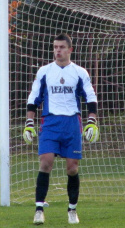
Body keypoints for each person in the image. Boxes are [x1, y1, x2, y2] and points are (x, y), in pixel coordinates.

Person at [23, 33, 99, 225]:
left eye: (62, 47)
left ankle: (72, 210)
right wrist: (29, 123)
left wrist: (92, 120)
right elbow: (33, 98)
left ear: (70, 50)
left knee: (72, 168)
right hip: (50, 122)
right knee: (45, 162)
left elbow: (90, 97)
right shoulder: (44, 71)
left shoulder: (80, 72)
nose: (58, 50)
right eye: (55, 47)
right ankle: (39, 209)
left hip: (72, 123)